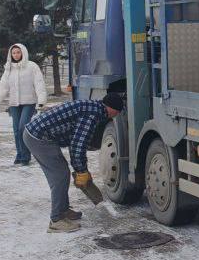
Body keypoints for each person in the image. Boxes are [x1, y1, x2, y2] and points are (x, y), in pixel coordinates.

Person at [23, 93, 124, 233]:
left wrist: (80, 170)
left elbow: (74, 140)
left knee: (62, 173)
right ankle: (56, 221)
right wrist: (81, 171)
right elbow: (78, 146)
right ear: (111, 108)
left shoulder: (93, 108)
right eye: (117, 112)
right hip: (38, 137)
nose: (116, 115)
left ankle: (63, 210)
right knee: (59, 176)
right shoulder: (92, 114)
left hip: (38, 134)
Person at [0, 43, 49, 165]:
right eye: (14, 53)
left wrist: (41, 101)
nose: (16, 55)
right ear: (10, 54)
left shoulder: (31, 66)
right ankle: (20, 154)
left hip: (29, 102)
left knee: (23, 127)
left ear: (23, 53)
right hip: (14, 103)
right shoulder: (9, 68)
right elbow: (3, 87)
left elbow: (39, 84)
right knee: (16, 130)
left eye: (18, 52)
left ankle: (25, 156)